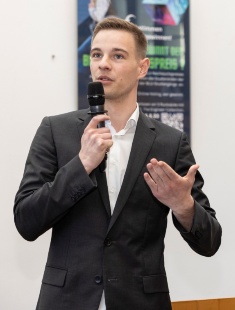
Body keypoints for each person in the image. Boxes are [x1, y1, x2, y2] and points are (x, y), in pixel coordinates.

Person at [14, 16, 222, 310]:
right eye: (96, 54)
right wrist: (81, 165)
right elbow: (25, 220)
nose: (103, 64)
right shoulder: (55, 131)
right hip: (67, 301)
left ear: (142, 67)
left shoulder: (169, 143)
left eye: (118, 56)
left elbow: (210, 241)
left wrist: (183, 205)